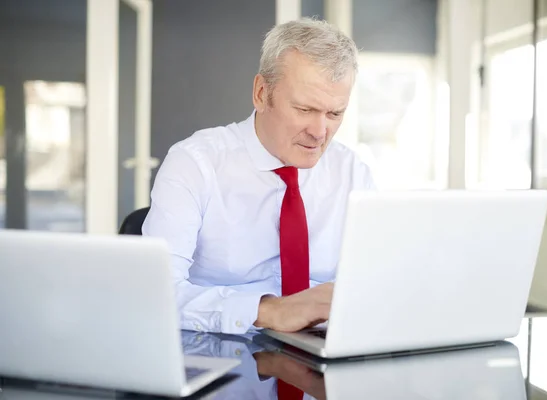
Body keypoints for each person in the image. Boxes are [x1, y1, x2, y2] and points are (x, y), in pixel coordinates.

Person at [142, 17, 375, 335]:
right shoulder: (195, 163)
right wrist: (268, 311)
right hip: (221, 354)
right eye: (304, 109)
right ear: (262, 93)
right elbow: (155, 293)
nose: (320, 132)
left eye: (335, 113)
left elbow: (375, 285)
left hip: (323, 355)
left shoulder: (352, 173)